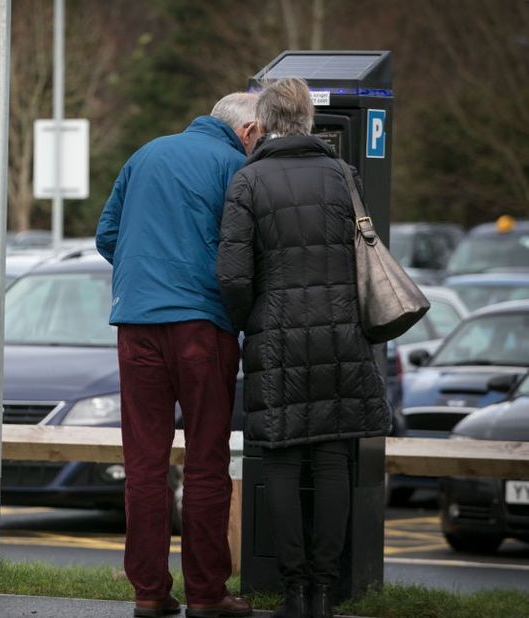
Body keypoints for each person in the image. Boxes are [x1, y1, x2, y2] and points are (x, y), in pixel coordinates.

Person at [217, 78, 391, 618]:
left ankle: (292, 591)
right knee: (334, 459)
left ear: (264, 123)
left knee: (285, 462)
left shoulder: (248, 181)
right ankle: (323, 592)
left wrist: (252, 321)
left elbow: (232, 273)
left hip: (278, 338)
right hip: (342, 335)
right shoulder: (344, 175)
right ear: (311, 123)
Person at [96, 93, 260, 618]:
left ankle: (149, 592)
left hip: (137, 325)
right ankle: (207, 594)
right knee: (206, 463)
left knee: (144, 463)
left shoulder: (144, 155)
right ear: (250, 129)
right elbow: (244, 249)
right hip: (201, 328)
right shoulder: (235, 165)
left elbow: (108, 235)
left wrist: (145, 275)